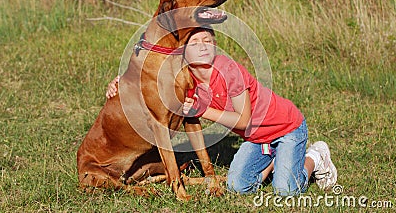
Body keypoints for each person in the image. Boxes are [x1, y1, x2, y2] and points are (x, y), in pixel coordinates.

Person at [106, 27, 337, 196]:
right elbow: (149, 81)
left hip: (287, 128)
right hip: (257, 139)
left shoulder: (229, 70)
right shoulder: (186, 78)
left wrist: (203, 110)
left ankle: (315, 157)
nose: (202, 45)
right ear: (183, 52)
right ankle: (277, 158)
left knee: (286, 190)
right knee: (238, 187)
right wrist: (120, 83)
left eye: (207, 40)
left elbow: (244, 120)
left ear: (215, 46)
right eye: (194, 42)